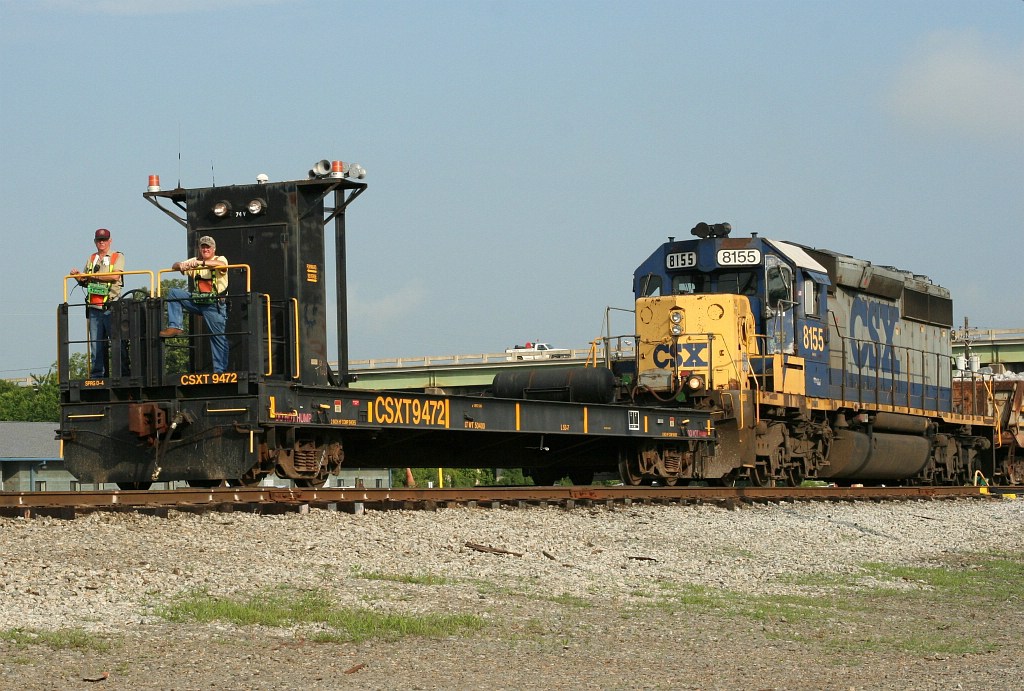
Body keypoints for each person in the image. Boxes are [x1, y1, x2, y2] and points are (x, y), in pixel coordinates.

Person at [159, 236, 230, 373]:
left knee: (217, 337)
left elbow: (221, 266)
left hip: (214, 304)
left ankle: (220, 371)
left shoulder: (220, 259)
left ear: (214, 249)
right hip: (198, 301)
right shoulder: (194, 260)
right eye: (203, 247)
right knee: (174, 293)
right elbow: (174, 266)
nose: (205, 249)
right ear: (199, 249)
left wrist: (201, 263)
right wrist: (180, 265)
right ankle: (175, 326)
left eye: (208, 247)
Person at [69, 228, 125, 378]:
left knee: (117, 342)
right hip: (94, 306)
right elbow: (85, 281)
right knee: (96, 343)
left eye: (105, 239)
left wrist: (93, 276)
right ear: (95, 241)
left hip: (112, 306)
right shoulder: (91, 258)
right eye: (99, 240)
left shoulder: (117, 256)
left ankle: (122, 373)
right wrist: (77, 276)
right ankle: (97, 375)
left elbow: (114, 276)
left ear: (110, 241)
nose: (102, 242)